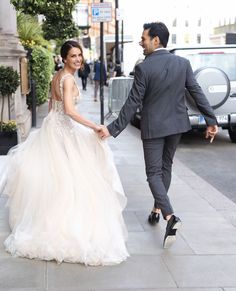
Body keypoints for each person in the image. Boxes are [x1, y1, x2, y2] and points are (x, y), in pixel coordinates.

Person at [3, 40, 129, 265]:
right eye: (73, 56)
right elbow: (70, 111)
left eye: (79, 55)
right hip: (61, 130)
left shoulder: (57, 76)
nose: (78, 59)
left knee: (57, 177)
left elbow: (53, 107)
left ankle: (47, 219)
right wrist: (95, 126)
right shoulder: (69, 79)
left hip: (53, 127)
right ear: (64, 58)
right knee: (71, 177)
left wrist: (52, 128)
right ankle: (65, 226)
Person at [98, 22, 218, 248]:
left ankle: (170, 216)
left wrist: (112, 128)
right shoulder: (182, 63)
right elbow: (196, 92)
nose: (140, 42)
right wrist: (211, 120)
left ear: (156, 40)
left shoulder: (145, 67)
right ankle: (156, 208)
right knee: (165, 168)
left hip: (154, 128)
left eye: (143, 38)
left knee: (153, 173)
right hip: (176, 126)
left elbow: (133, 102)